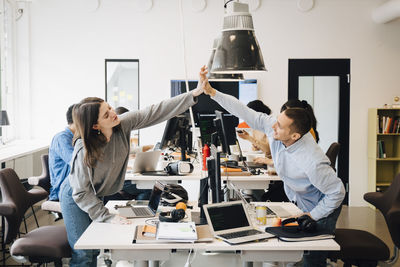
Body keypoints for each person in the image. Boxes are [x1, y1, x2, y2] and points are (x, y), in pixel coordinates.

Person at [59, 67, 205, 267]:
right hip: (75, 195)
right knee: (84, 253)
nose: (113, 113)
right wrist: (106, 216)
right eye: (105, 114)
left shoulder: (121, 125)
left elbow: (154, 111)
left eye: (109, 107)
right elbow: (81, 192)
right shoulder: (83, 149)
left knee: (95, 248)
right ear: (95, 126)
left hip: (96, 191)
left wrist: (193, 94)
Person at [200, 67, 345, 267]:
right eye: (276, 121)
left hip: (322, 208)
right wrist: (212, 92)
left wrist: (313, 215)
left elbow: (337, 193)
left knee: (313, 257)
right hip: (301, 201)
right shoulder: (275, 129)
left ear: (295, 136)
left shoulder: (312, 161)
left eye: (279, 126)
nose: (272, 127)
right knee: (300, 251)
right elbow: (244, 111)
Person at [48, 104, 76, 201]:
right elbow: (77, 163)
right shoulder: (61, 138)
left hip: (78, 187)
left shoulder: (77, 137)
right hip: (63, 190)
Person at [237, 100, 273, 165]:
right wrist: (256, 146)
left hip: (270, 164)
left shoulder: (270, 127)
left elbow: (268, 151)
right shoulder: (255, 127)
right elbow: (257, 148)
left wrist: (249, 138)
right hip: (262, 161)